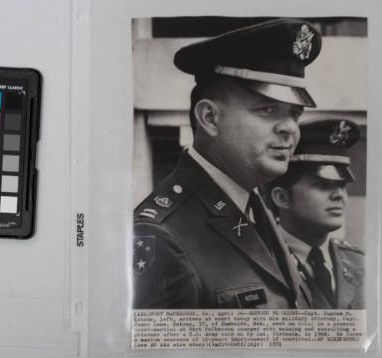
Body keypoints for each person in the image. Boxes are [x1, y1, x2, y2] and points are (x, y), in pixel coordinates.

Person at [133, 18, 322, 309]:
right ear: (209, 118)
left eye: (294, 114)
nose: (289, 128)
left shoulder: (257, 211)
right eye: (267, 109)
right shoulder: (160, 234)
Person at [265, 119, 364, 309]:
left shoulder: (359, 263)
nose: (339, 196)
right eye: (323, 185)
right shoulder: (258, 260)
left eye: (342, 186)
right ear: (282, 198)